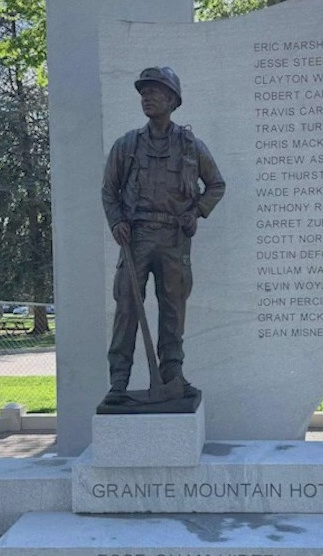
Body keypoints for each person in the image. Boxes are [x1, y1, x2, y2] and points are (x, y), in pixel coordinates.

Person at [100, 66, 225, 402]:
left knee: (173, 310)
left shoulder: (191, 146)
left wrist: (196, 211)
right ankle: (118, 382)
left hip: (174, 239)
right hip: (136, 238)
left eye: (154, 92)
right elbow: (109, 190)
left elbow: (216, 184)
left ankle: (173, 376)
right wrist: (116, 221)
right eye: (143, 93)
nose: (147, 97)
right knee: (127, 308)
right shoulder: (127, 145)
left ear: (172, 100)